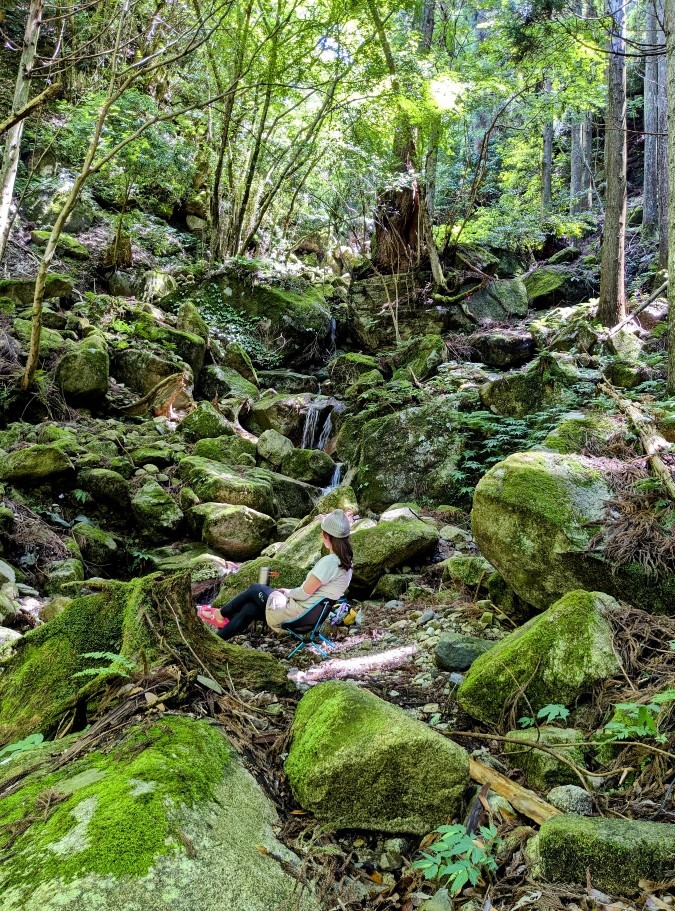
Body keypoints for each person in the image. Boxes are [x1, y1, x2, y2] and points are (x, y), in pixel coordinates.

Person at [197, 509, 353, 640]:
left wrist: (287, 592)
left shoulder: (330, 562)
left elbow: (304, 593)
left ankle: (219, 613)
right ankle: (218, 640)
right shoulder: (346, 566)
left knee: (256, 589)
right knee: (250, 609)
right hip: (308, 617)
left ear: (326, 536)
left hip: (296, 613)